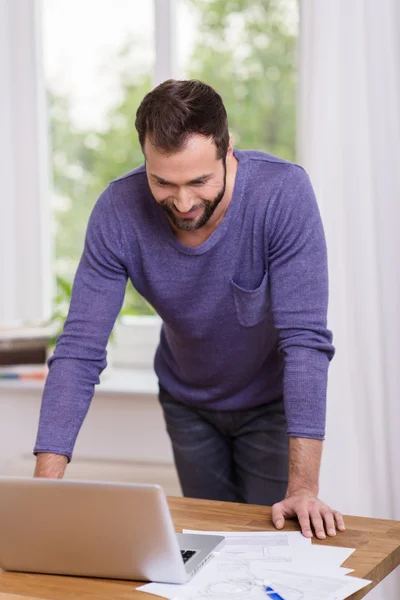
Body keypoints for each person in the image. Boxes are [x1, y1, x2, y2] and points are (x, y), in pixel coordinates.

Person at [34, 79, 345, 539]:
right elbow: (79, 350)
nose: (182, 202)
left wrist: (304, 486)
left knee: (272, 544)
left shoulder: (282, 194)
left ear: (227, 149)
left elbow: (305, 342)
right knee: (211, 547)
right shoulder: (117, 211)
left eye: (199, 181)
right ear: (145, 158)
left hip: (269, 402)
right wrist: (43, 493)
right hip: (187, 403)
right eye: (163, 181)